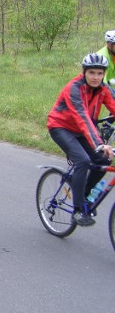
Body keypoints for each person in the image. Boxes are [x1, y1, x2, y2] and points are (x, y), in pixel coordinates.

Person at [47, 53, 115, 226]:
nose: (96, 77)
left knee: (104, 160)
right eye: (91, 73)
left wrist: (101, 147)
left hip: (83, 130)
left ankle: (82, 195)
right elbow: (82, 116)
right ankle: (77, 210)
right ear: (84, 72)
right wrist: (100, 144)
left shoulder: (103, 89)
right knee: (83, 160)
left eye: (100, 73)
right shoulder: (74, 88)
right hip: (61, 127)